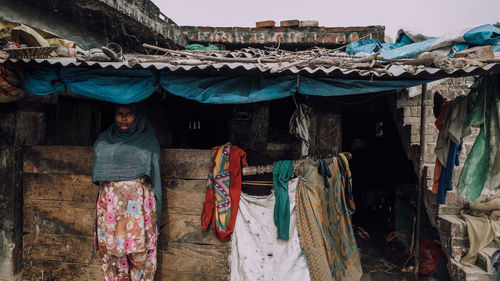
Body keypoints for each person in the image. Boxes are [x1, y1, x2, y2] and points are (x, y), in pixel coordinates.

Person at [92, 103, 162, 281]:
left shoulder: (148, 143)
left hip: (138, 211)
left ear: (137, 117)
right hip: (112, 211)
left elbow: (154, 178)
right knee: (114, 255)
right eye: (120, 113)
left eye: (129, 114)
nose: (123, 117)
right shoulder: (103, 141)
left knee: (140, 256)